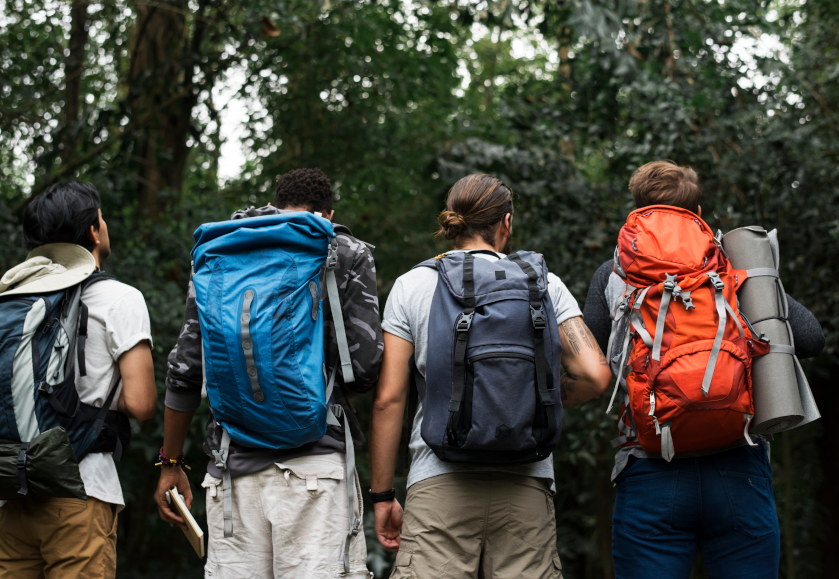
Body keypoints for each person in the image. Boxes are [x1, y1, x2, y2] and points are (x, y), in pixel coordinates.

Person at [582, 161, 826, 579]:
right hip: (738, 466)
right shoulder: (733, 266)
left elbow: (588, 366)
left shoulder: (615, 274)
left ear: (639, 209)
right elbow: (812, 339)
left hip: (650, 469)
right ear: (698, 211)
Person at [370, 173, 612, 579]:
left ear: (453, 223)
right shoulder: (544, 285)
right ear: (507, 223)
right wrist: (535, 395)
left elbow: (389, 399)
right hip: (526, 483)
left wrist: (382, 495)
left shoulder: (412, 285)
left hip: (438, 482)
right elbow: (595, 375)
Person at [156, 168, 383, 578]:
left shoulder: (222, 251)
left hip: (232, 469)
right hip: (315, 469)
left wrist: (170, 462)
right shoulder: (344, 250)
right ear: (328, 214)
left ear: (276, 204)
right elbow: (363, 370)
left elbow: (186, 368)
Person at [0, 181, 157, 579]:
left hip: (10, 490)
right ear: (93, 232)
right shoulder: (120, 298)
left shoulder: (10, 299)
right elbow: (141, 404)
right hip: (80, 490)